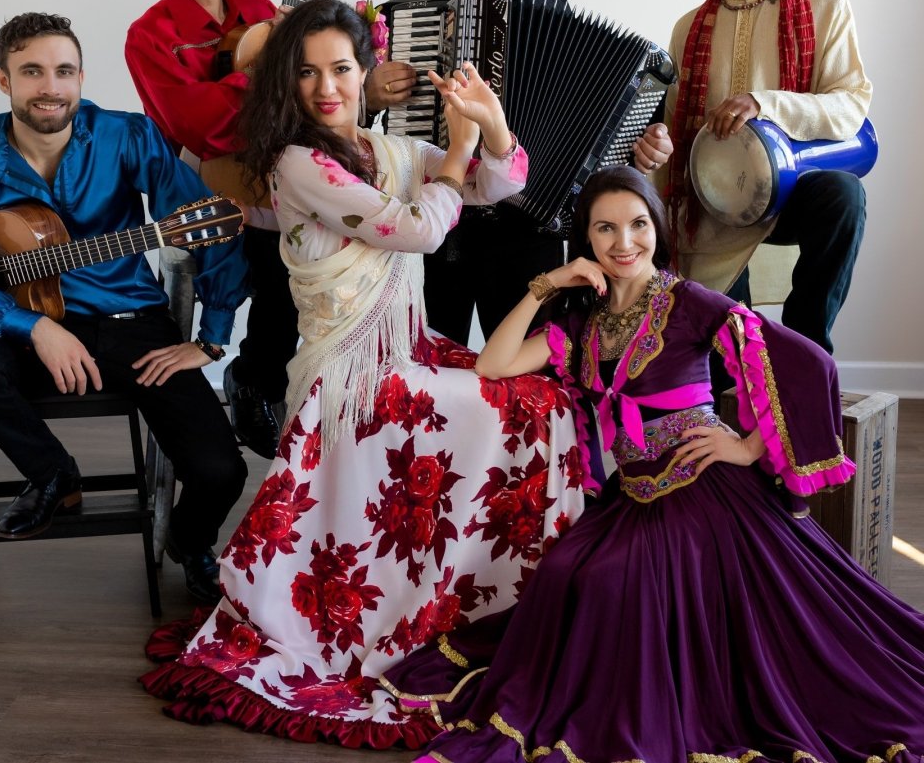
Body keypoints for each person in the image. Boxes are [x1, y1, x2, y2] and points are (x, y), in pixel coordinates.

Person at [140, 0, 588, 748]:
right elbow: (415, 228)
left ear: (366, 71)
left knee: (547, 397)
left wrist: (490, 124)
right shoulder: (296, 163)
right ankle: (447, 596)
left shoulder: (392, 149)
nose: (327, 87)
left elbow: (501, 184)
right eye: (308, 72)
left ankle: (488, 600)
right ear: (288, 81)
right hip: (349, 377)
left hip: (404, 350)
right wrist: (456, 153)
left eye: (342, 69)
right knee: (523, 405)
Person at [383, 165, 924, 763]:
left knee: (618, 582)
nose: (624, 242)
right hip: (634, 494)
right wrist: (547, 284)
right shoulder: (582, 324)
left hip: (708, 489)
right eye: (606, 228)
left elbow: (807, 360)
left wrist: (748, 446)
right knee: (565, 572)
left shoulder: (687, 302)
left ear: (657, 229)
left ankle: (655, 712)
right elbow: (494, 363)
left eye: (638, 224)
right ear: (586, 238)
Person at [0, 12, 249, 604]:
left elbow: (217, 227)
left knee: (221, 470)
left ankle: (189, 539)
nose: (50, 86)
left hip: (127, 321)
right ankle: (53, 474)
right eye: (32, 71)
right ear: (4, 81)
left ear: (80, 77)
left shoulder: (127, 136)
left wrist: (212, 335)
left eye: (64, 71)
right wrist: (34, 327)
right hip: (22, 333)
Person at [366, 0, 673, 347]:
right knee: (423, 367)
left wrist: (640, 143)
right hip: (429, 225)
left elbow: (585, 115)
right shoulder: (395, 17)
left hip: (526, 228)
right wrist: (368, 96)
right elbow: (345, 126)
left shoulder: (541, 2)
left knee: (531, 370)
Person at [663, 0, 872, 354]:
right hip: (713, 207)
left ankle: (806, 350)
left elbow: (850, 104)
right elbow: (673, 128)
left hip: (794, 191)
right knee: (725, 365)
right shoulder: (688, 28)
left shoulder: (824, 7)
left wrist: (765, 103)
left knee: (843, 194)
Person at [125, 0, 297, 457]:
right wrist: (268, 75)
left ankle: (266, 383)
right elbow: (202, 127)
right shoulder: (149, 35)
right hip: (195, 192)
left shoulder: (263, 11)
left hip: (270, 183)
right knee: (278, 260)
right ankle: (231, 397)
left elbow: (302, 102)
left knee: (320, 252)